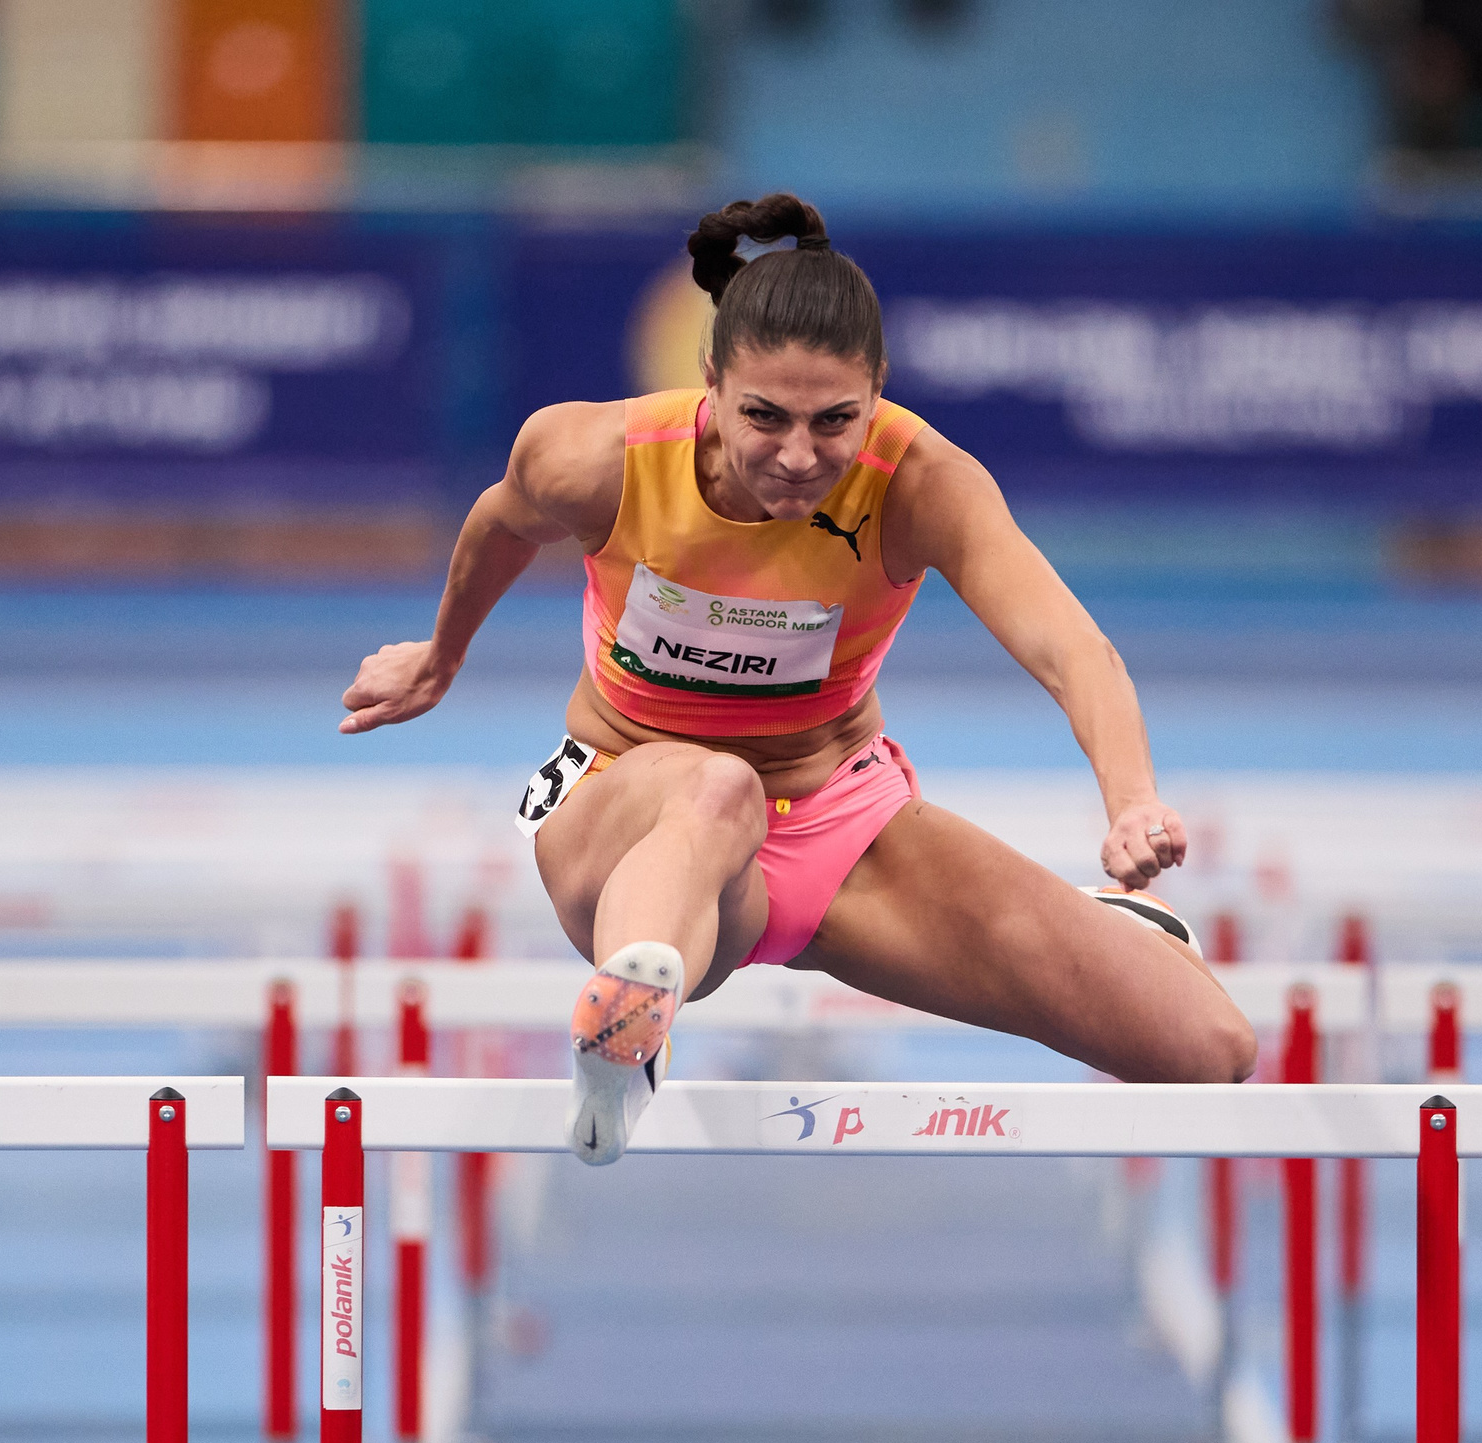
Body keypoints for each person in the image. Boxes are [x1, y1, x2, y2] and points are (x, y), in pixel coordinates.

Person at [341, 194, 1252, 1160]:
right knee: (717, 787)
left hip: (836, 825)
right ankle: (625, 1038)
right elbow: (500, 522)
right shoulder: (594, 458)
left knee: (1206, 1048)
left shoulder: (924, 484)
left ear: (878, 392)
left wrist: (1131, 799)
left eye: (834, 421)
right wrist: (441, 655)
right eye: (765, 417)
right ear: (710, 380)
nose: (798, 456)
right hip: (628, 810)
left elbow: (1071, 649)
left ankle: (1117, 925)